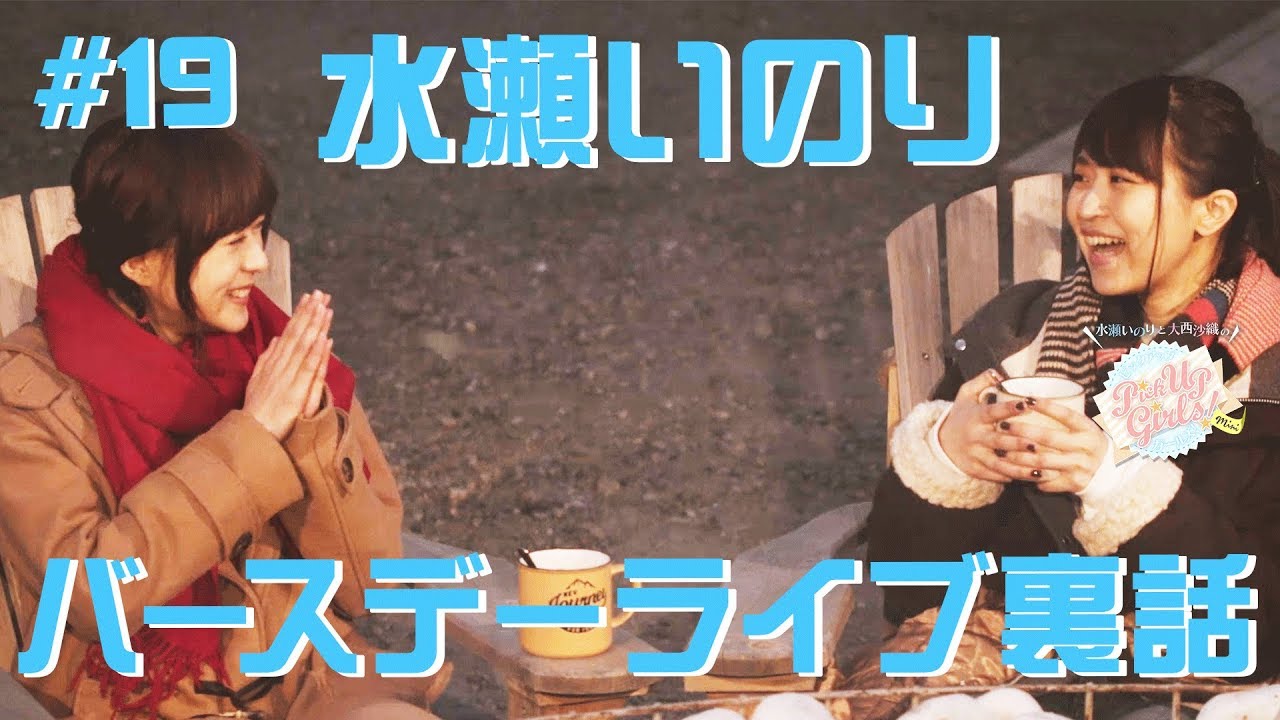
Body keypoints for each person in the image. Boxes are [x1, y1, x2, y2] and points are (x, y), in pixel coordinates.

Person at [840, 76, 1280, 718]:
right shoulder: (1020, 337)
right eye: (1082, 177)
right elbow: (913, 596)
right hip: (1007, 666)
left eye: (1123, 181)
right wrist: (948, 461)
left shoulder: (1263, 379)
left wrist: (1115, 483)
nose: (1088, 207)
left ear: (1211, 211)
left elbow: (1263, 628)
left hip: (1194, 686)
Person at [0, 119, 448, 718]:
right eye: (233, 242)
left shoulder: (274, 354)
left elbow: (367, 584)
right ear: (141, 263)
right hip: (143, 695)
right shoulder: (30, 396)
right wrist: (252, 438)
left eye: (259, 232)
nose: (259, 260)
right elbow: (89, 594)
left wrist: (311, 433)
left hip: (305, 672)